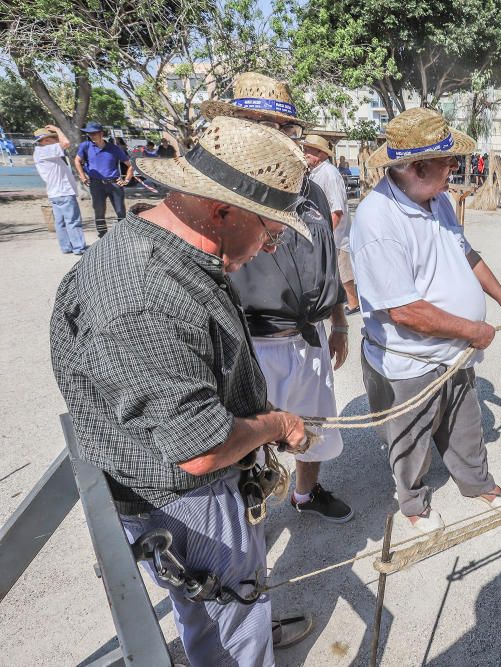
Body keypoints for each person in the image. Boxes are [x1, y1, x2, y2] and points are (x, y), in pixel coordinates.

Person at [50, 116, 316, 666]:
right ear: (223, 211)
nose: (270, 246)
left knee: (214, 610)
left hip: (175, 488)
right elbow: (200, 450)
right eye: (270, 230)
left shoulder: (168, 252)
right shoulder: (146, 296)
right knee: (233, 613)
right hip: (183, 498)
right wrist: (276, 424)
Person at [352, 107, 501, 533]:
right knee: (410, 437)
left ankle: (476, 482)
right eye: (448, 160)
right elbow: (404, 311)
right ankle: (412, 503)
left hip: (455, 352)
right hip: (411, 359)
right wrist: (475, 330)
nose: (455, 167)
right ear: (416, 167)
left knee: (464, 422)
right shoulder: (376, 220)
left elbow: (466, 254)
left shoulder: (440, 200)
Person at [206, 73, 355, 521]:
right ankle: (246, 521)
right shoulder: (218, 189)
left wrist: (340, 321)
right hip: (248, 344)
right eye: (261, 124)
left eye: (284, 128)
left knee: (314, 432)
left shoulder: (309, 189)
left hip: (306, 338)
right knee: (245, 445)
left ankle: (307, 496)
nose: (278, 137)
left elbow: (326, 258)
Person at [302, 134, 360, 313]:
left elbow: (337, 211)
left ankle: (354, 303)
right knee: (333, 271)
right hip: (325, 231)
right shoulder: (316, 173)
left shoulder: (329, 174)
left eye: (309, 151)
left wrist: (326, 235)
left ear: (320, 154)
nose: (305, 153)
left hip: (335, 234)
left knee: (344, 272)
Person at [32, 125, 87, 255]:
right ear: (45, 141)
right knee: (73, 220)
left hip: (55, 193)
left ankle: (66, 246)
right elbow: (66, 143)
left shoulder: (42, 153)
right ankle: (79, 247)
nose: (56, 140)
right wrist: (57, 129)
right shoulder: (45, 151)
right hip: (63, 192)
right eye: (52, 138)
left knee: (61, 222)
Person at [74, 121, 133, 238]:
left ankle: (123, 234)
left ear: (101, 133)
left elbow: (130, 165)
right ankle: (102, 235)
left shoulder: (114, 148)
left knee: (120, 211)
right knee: (99, 211)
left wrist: (126, 180)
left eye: (93, 133)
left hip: (114, 183)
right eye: (89, 134)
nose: (91, 136)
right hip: (96, 184)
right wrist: (82, 176)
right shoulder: (85, 146)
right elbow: (77, 161)